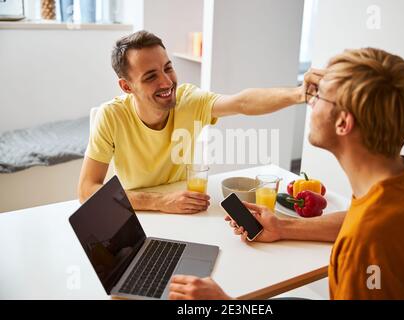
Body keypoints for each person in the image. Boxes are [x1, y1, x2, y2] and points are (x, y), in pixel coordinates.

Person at [168, 47, 404, 300]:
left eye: (317, 95)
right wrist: (283, 227)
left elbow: (368, 232)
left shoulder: (365, 247)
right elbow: (360, 219)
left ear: (343, 122)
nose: (309, 102)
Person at [78, 30, 321, 214]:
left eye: (168, 68)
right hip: (136, 214)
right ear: (126, 86)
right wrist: (160, 202)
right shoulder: (111, 116)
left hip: (185, 207)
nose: (166, 82)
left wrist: (299, 94)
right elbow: (87, 190)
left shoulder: (188, 100)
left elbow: (241, 103)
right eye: (151, 76)